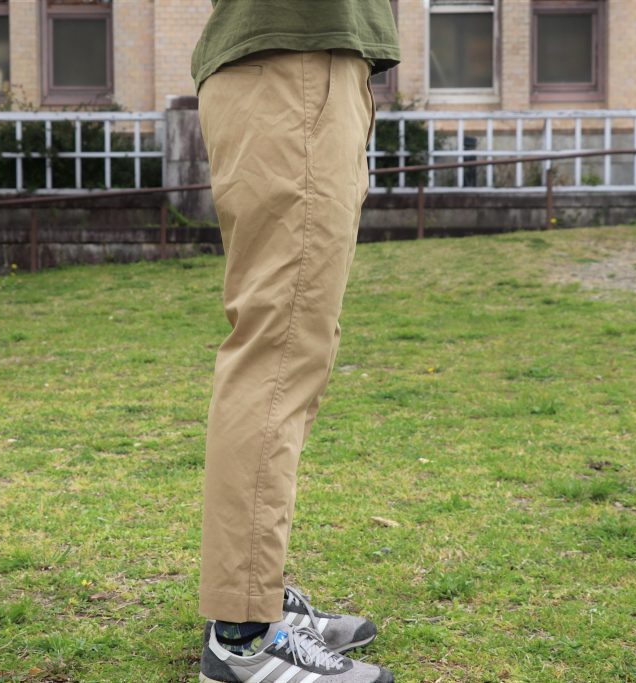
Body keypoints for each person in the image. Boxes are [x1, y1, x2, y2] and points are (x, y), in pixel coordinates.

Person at [192, 2, 401, 682]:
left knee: (292, 346)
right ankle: (244, 636)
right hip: (292, 72)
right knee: (278, 349)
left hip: (304, 71)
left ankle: (256, 595)